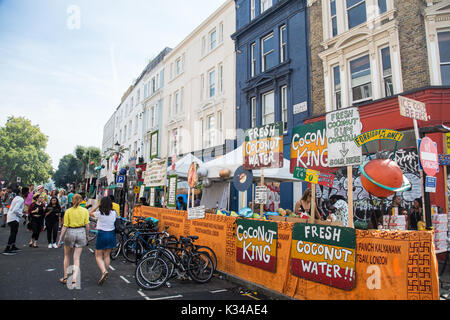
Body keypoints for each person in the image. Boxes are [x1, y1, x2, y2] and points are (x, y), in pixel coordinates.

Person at [57, 194, 90, 286]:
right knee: (77, 258)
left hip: (70, 232)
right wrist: (87, 236)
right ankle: (74, 279)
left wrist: (60, 238)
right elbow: (87, 225)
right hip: (81, 232)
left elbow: (65, 226)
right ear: (81, 201)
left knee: (67, 256)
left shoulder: (68, 211)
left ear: (72, 200)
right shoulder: (85, 211)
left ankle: (65, 277)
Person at [88, 197, 118, 285]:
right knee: (107, 255)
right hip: (111, 234)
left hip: (102, 234)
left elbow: (90, 213)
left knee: (98, 255)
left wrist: (97, 206)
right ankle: (104, 272)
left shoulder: (99, 213)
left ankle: (104, 271)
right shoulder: (114, 213)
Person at [2, 187, 29, 255]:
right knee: (13, 233)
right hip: (13, 218)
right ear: (25, 193)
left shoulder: (17, 198)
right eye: (28, 192)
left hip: (12, 217)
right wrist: (22, 215)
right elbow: (15, 210)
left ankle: (13, 246)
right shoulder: (20, 199)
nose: (28, 194)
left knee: (14, 232)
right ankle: (7, 248)